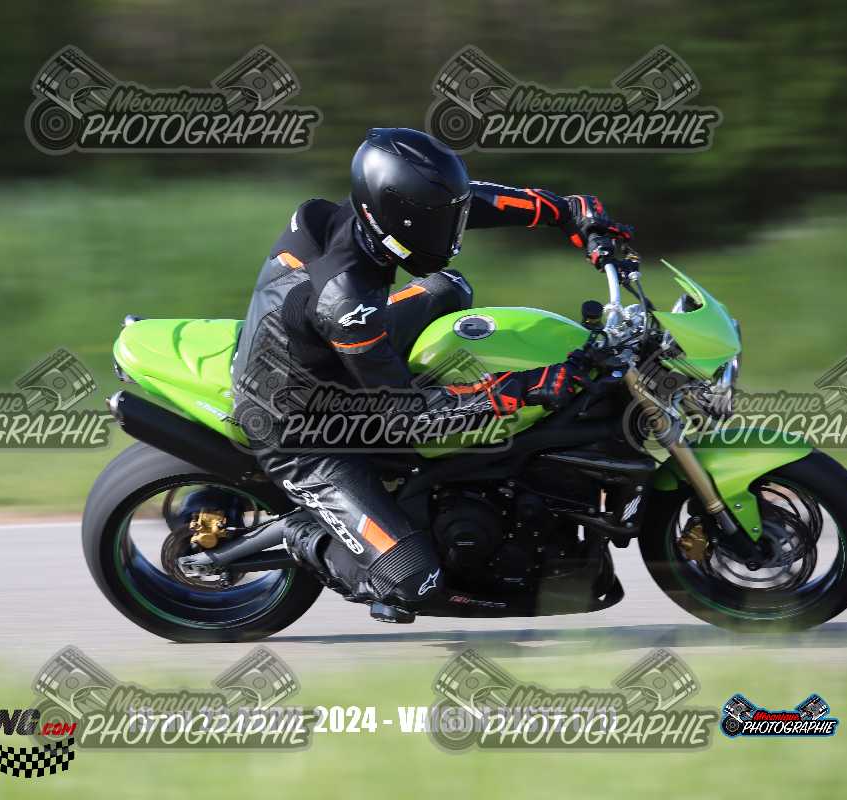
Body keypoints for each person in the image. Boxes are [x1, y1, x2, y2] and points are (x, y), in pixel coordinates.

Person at [231, 127, 630, 620]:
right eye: (437, 224)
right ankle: (303, 535)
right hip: (299, 427)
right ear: (394, 217)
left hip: (324, 356)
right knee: (415, 581)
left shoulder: (367, 221)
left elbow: (468, 202)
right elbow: (407, 418)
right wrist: (524, 387)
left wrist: (565, 210)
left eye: (447, 220)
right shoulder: (345, 299)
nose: (452, 234)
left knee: (448, 288)